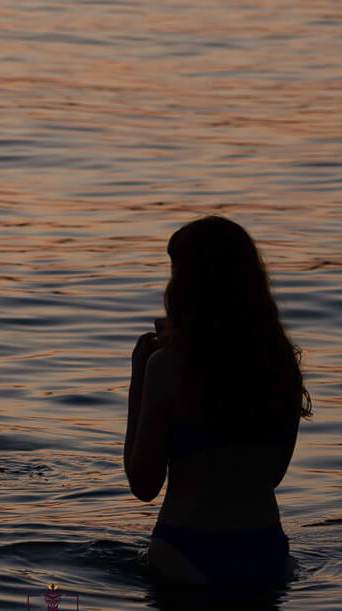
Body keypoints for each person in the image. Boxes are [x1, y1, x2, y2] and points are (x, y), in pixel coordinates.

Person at [124, 216, 312, 590]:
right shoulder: (280, 363)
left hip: (185, 551)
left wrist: (139, 377)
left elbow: (144, 484)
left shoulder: (166, 366)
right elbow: (272, 476)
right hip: (266, 551)